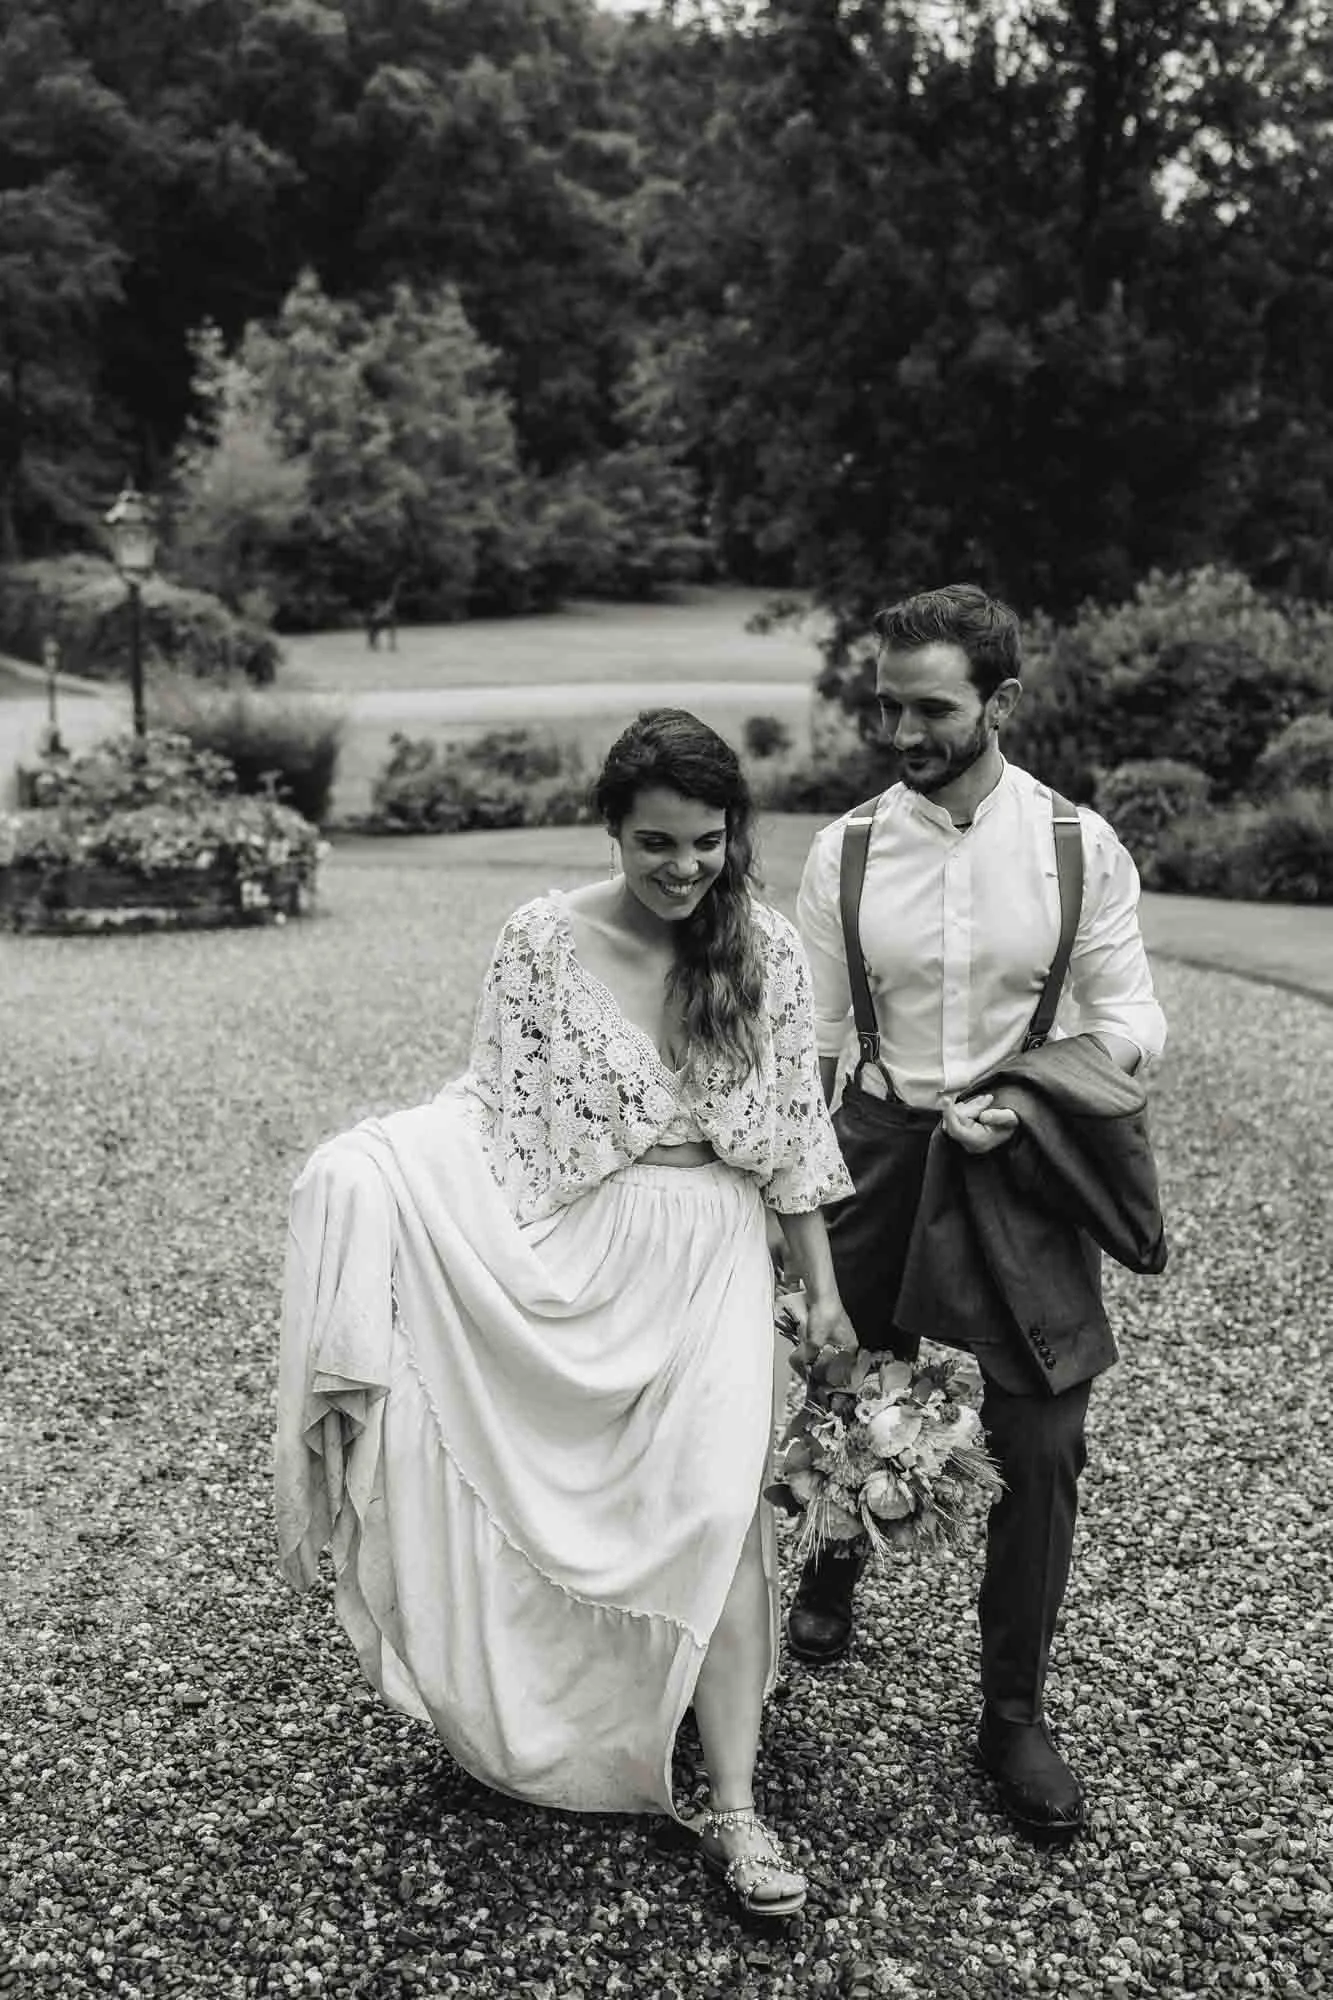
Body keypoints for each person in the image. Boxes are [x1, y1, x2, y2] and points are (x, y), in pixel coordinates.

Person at [275, 708, 857, 1919]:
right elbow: (489, 1112)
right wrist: (367, 1172)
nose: (683, 868)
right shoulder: (541, 938)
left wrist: (825, 1295)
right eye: (656, 843)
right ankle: (566, 1705)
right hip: (584, 1251)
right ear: (612, 831)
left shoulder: (766, 948)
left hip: (715, 1254)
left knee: (717, 1513)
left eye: (706, 841)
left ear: (734, 831)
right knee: (579, 1497)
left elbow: (798, 1141)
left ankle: (736, 1806)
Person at [790, 584, 1168, 1840]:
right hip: (881, 1143)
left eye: (932, 707)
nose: (903, 730)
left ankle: (1012, 1711)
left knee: (1043, 1437)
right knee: (847, 1381)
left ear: (999, 701)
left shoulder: (1077, 847)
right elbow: (816, 1041)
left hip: (1019, 1156)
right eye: (887, 705)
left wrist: (1027, 1093)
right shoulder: (843, 852)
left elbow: (1131, 1020)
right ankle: (835, 1556)